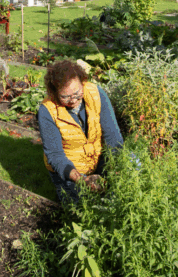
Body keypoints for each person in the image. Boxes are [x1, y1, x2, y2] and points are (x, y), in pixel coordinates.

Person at [38, 60, 124, 202]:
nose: (73, 100)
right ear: (54, 93)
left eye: (77, 93)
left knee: (129, 167)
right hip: (71, 170)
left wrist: (116, 167)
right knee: (81, 204)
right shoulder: (47, 111)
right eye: (65, 96)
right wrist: (81, 179)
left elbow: (113, 138)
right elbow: (55, 155)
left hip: (96, 159)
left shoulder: (96, 94)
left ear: (82, 82)